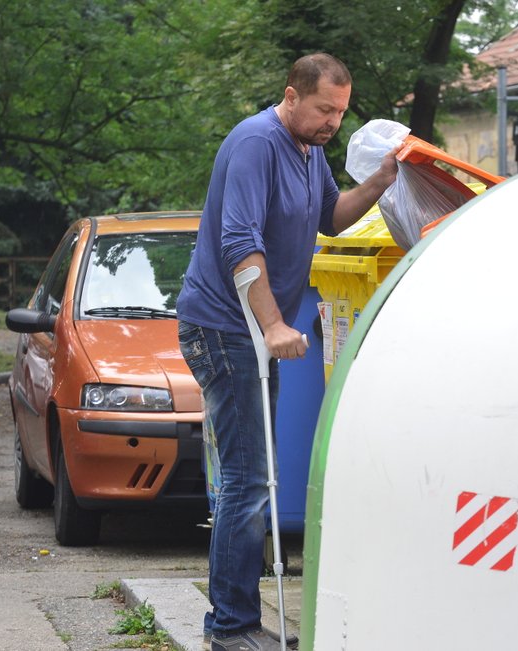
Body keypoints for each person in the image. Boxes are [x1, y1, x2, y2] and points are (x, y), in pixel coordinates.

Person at [176, 53, 399, 651]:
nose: (333, 122)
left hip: (252, 332)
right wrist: (274, 324)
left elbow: (331, 217)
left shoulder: (309, 151)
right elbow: (237, 242)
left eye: (341, 113)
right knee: (249, 482)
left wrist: (378, 184)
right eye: (325, 109)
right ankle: (231, 628)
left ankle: (238, 621)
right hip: (225, 329)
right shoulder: (256, 143)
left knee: (257, 476)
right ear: (292, 96)